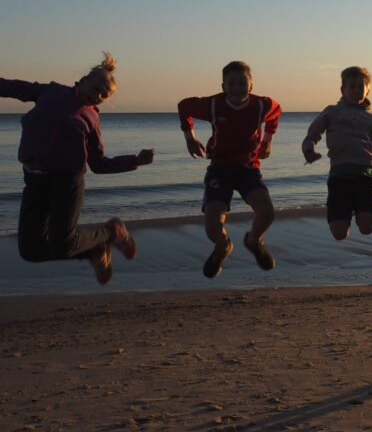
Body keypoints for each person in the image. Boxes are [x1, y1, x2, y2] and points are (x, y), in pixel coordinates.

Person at [1, 53, 154, 284]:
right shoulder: (51, 91)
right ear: (82, 81)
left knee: (63, 243)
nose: (99, 95)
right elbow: (11, 87)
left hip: (67, 183)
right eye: (97, 88)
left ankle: (112, 232)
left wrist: (135, 161)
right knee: (30, 251)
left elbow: (99, 164)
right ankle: (95, 251)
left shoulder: (91, 118)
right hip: (34, 181)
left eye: (105, 95)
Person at [177, 61, 281, 278]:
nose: (237, 88)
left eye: (242, 83)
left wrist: (268, 141)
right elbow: (183, 106)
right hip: (220, 169)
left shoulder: (261, 105)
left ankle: (253, 240)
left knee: (267, 213)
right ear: (223, 86)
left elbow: (276, 113)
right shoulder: (213, 105)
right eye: (231, 83)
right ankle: (223, 245)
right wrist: (190, 139)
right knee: (212, 226)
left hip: (248, 170)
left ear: (251, 85)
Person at [302, 66, 372, 240]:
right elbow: (312, 135)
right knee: (340, 234)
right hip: (339, 179)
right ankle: (346, 208)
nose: (356, 90)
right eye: (352, 86)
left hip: (364, 179)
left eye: (361, 87)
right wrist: (308, 150)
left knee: (367, 228)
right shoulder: (332, 112)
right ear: (343, 90)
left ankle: (355, 207)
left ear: (368, 90)